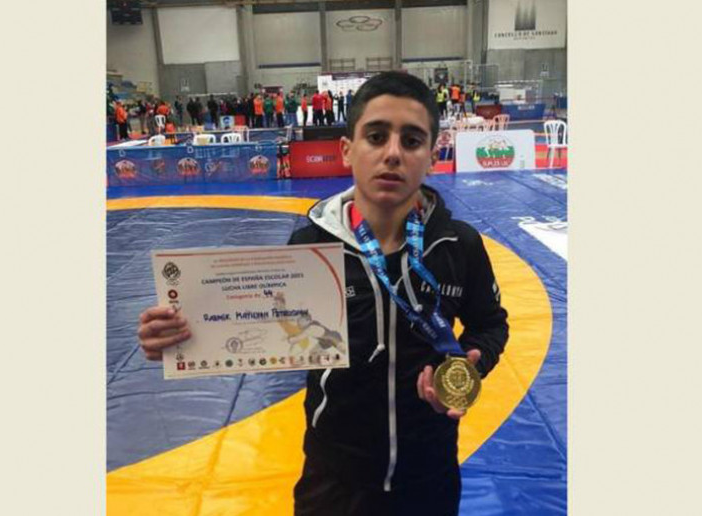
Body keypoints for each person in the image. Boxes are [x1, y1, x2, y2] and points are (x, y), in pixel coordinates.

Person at [136, 71, 509, 516]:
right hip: (334, 482)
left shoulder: (458, 245)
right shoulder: (310, 247)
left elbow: (491, 324)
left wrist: (473, 362)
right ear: (347, 149)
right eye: (376, 136)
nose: (392, 153)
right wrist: (180, 337)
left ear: (432, 155)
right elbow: (256, 327)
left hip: (429, 476)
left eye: (411, 141)